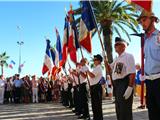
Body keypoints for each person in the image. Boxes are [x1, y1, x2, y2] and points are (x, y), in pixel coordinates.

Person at [137, 10, 160, 120]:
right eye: (141, 22)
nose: (142, 23)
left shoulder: (159, 36)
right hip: (149, 83)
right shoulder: (145, 40)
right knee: (152, 113)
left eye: (144, 20)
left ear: (153, 19)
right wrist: (144, 73)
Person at [109, 37, 136, 120]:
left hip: (124, 83)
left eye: (117, 44)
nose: (115, 46)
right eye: (115, 45)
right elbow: (109, 69)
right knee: (119, 109)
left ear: (123, 46)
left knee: (125, 110)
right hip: (117, 85)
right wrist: (105, 59)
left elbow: (132, 73)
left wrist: (130, 87)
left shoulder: (128, 56)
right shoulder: (117, 58)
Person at [87, 54, 103, 120]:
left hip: (96, 87)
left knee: (97, 106)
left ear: (99, 61)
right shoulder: (95, 68)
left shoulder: (98, 67)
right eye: (94, 60)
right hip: (94, 87)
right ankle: (96, 118)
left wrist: (87, 70)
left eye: (95, 60)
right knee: (94, 105)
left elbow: (92, 75)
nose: (94, 61)